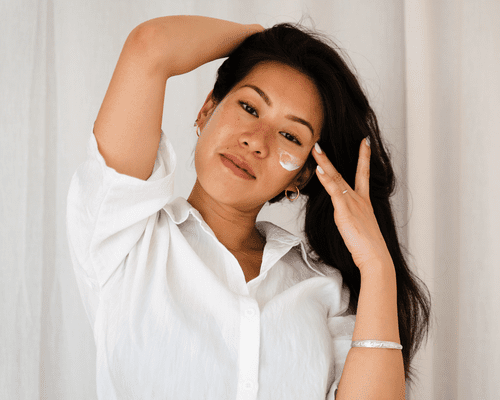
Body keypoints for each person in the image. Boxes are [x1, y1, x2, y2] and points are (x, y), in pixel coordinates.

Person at [66, 15, 431, 399]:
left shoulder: (324, 289)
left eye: (290, 135)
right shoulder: (125, 237)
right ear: (207, 109)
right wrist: (263, 38)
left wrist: (376, 265)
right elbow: (150, 45)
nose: (256, 142)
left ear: (302, 177)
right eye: (250, 107)